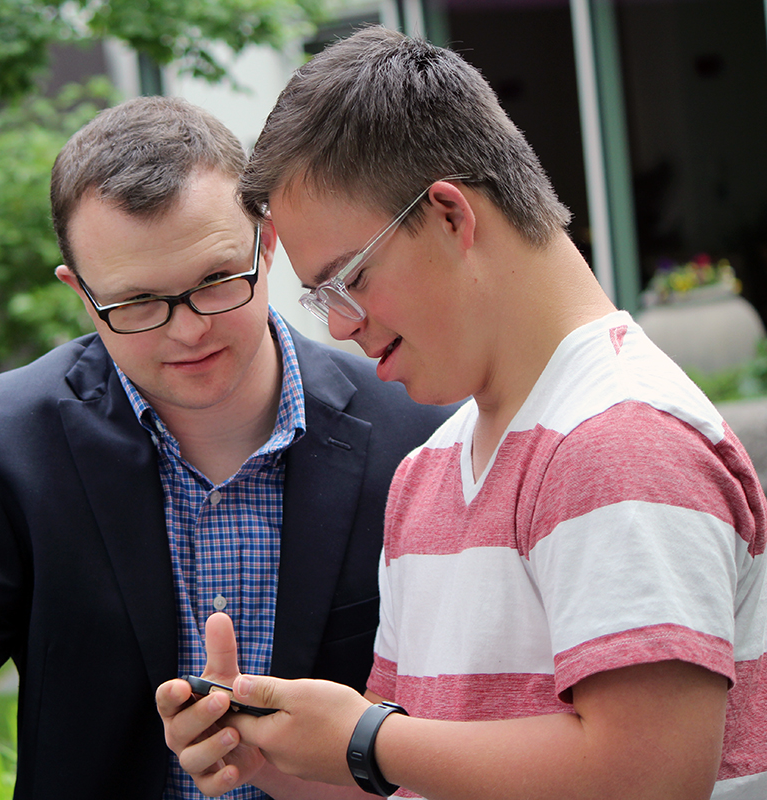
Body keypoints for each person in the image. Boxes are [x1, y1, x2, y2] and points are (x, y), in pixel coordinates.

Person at [156, 26, 767, 800]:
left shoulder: (619, 437)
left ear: (449, 214)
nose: (339, 325)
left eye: (347, 280)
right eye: (318, 299)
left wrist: (365, 736)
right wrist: (277, 756)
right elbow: (414, 771)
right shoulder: (429, 469)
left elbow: (648, 773)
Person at [0, 95, 454, 800]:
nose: (188, 331)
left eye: (216, 280)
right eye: (137, 303)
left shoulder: (423, 427)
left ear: (267, 240)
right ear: (82, 296)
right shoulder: (5, 448)